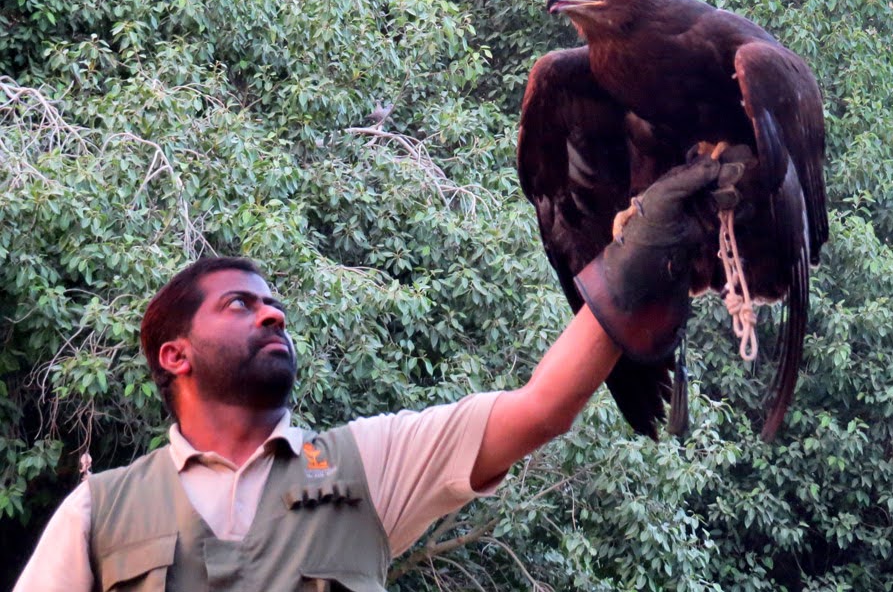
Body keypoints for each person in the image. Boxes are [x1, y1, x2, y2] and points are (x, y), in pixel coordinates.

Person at [14, 154, 734, 591]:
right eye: (240, 305)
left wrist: (637, 264)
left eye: (276, 307)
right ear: (174, 355)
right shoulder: (95, 513)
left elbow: (541, 407)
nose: (273, 318)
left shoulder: (365, 464)